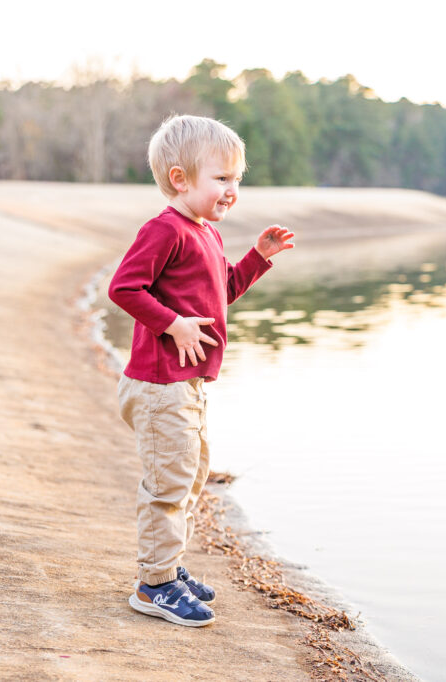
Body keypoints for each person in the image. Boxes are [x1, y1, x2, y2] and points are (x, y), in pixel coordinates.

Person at [108, 114, 294, 627]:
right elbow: (123, 288)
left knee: (189, 478)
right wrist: (173, 326)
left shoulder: (204, 232)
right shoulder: (164, 229)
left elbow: (220, 295)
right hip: (158, 384)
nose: (233, 190)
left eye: (238, 179)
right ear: (180, 179)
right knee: (168, 484)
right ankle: (154, 585)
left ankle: (169, 565)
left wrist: (257, 257)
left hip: (184, 384)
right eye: (222, 178)